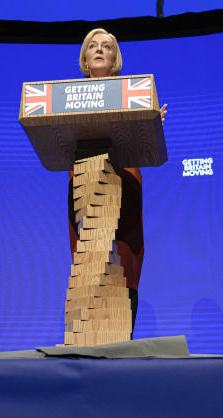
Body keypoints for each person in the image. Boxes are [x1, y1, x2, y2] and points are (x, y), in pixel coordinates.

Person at [69, 28, 166, 330]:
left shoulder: (132, 97)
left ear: (115, 58)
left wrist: (149, 125)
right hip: (86, 182)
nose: (99, 50)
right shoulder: (66, 99)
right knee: (89, 273)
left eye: (107, 47)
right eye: (93, 46)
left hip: (123, 185)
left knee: (121, 266)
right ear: (84, 59)